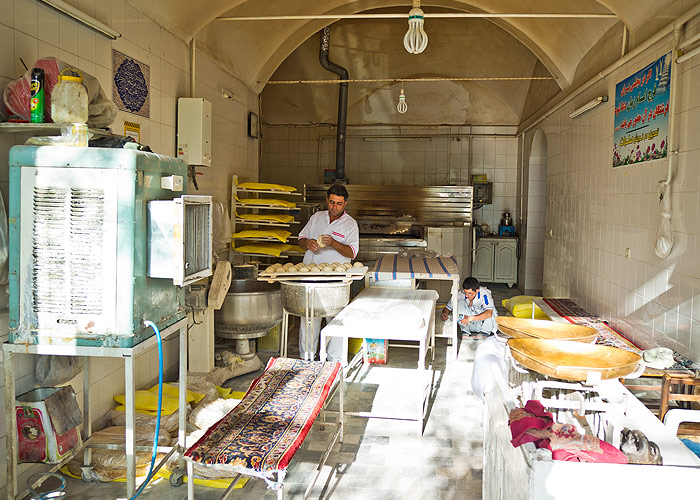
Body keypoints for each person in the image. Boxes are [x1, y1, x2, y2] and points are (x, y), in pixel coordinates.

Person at [296, 184, 359, 361]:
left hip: (335, 280)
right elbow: (300, 239)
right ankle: (306, 359)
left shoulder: (350, 224)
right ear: (327, 200)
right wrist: (307, 243)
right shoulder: (317, 217)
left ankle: (335, 361)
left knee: (336, 320)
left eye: (339, 204)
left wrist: (334, 243)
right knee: (309, 319)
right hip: (311, 277)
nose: (334, 207)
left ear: (345, 203)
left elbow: (352, 252)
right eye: (332, 202)